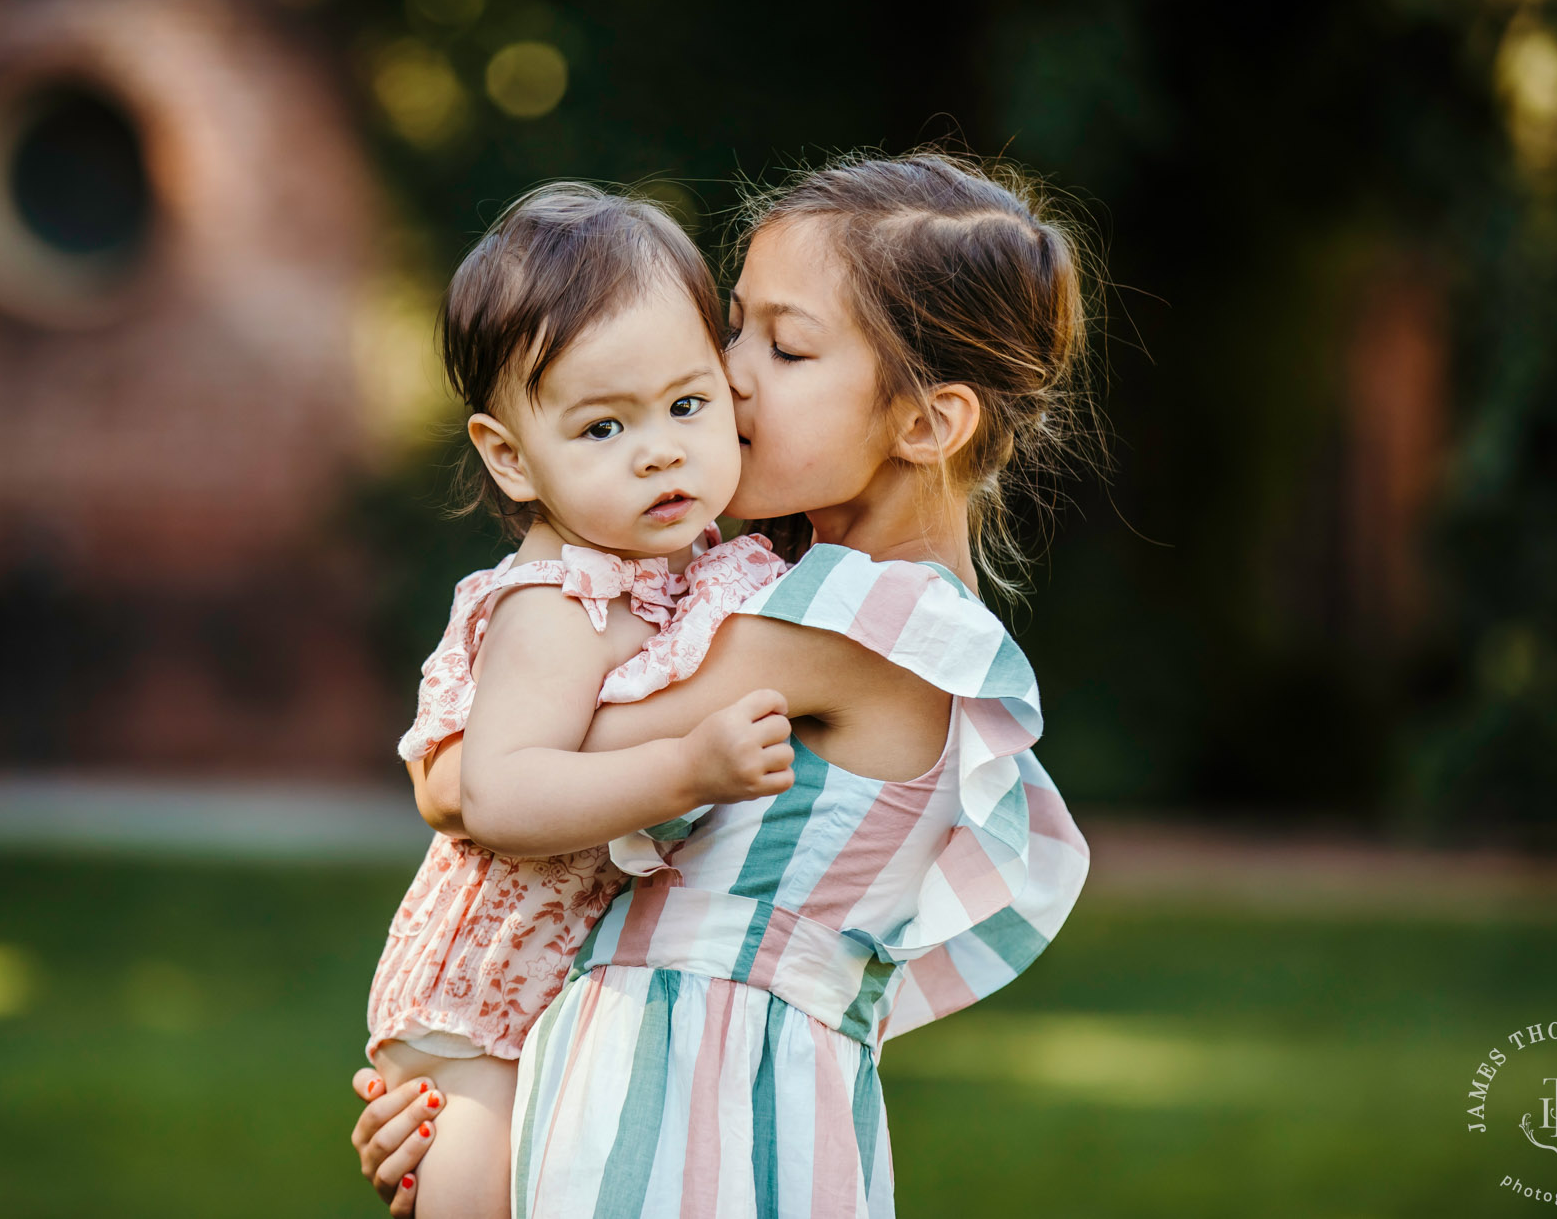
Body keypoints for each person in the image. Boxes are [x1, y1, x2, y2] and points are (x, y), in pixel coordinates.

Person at [354, 151, 1095, 1218]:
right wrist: (468, 1104)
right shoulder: (788, 590)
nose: (729, 368)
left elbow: (475, 778)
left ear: (927, 423)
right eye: (734, 324)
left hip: (691, 1108)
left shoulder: (849, 626)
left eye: (785, 347)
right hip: (653, 1082)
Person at [362, 181, 795, 1219]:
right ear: (510, 456)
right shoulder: (557, 604)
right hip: (477, 1007)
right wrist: (686, 768)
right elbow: (500, 798)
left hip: (578, 997)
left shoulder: (699, 569)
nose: (658, 450)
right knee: (477, 1196)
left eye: (686, 406)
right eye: (603, 427)